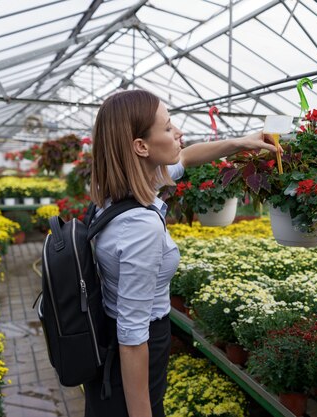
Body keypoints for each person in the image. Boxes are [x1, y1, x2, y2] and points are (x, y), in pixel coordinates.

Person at [84, 89, 279, 417]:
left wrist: (240, 142)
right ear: (141, 146)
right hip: (132, 356)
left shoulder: (115, 192)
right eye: (168, 127)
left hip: (111, 345)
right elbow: (132, 339)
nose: (180, 133)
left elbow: (187, 158)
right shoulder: (139, 226)